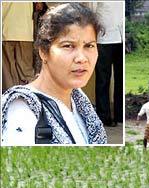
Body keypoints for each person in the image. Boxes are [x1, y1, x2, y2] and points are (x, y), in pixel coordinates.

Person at [1, 3, 107, 145]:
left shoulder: (80, 100)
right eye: (68, 46)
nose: (81, 58)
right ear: (43, 52)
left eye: (89, 46)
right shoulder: (22, 109)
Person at [94, 2, 123, 127]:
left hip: (121, 38)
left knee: (121, 79)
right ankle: (103, 116)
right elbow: (90, 11)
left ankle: (120, 114)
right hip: (103, 39)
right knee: (103, 79)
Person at [2, 2, 36, 92]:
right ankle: (30, 96)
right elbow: (39, 5)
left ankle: (12, 99)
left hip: (6, 31)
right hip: (25, 32)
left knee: (9, 74)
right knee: (26, 71)